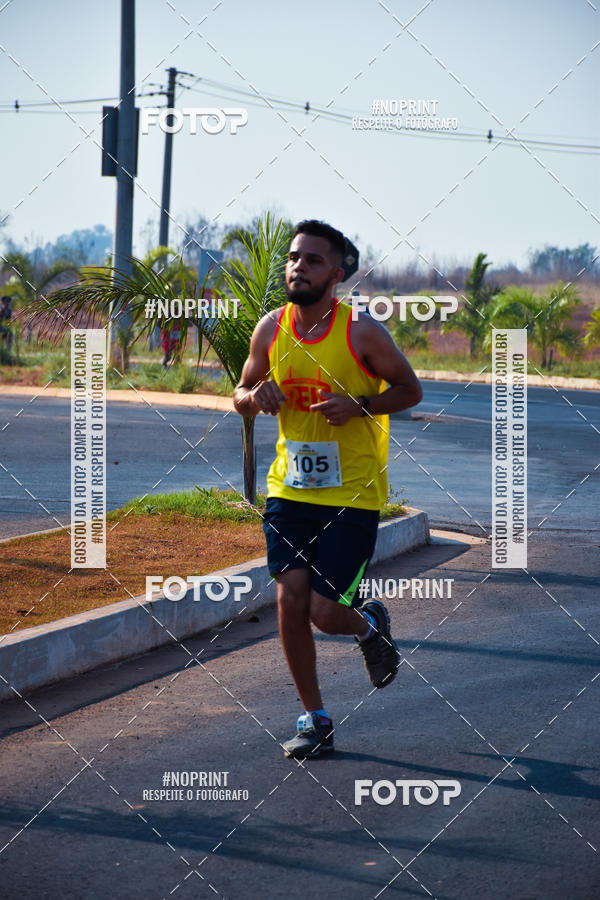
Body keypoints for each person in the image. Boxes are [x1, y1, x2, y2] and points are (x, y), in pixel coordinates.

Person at [233, 220, 422, 759]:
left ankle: (367, 626)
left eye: (313, 260)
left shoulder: (361, 332)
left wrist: (359, 405)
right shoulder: (271, 329)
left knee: (323, 611)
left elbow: (411, 389)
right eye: (294, 257)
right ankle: (315, 720)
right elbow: (240, 392)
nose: (298, 266)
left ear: (336, 274)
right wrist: (254, 397)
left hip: (351, 495)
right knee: (290, 602)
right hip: (288, 491)